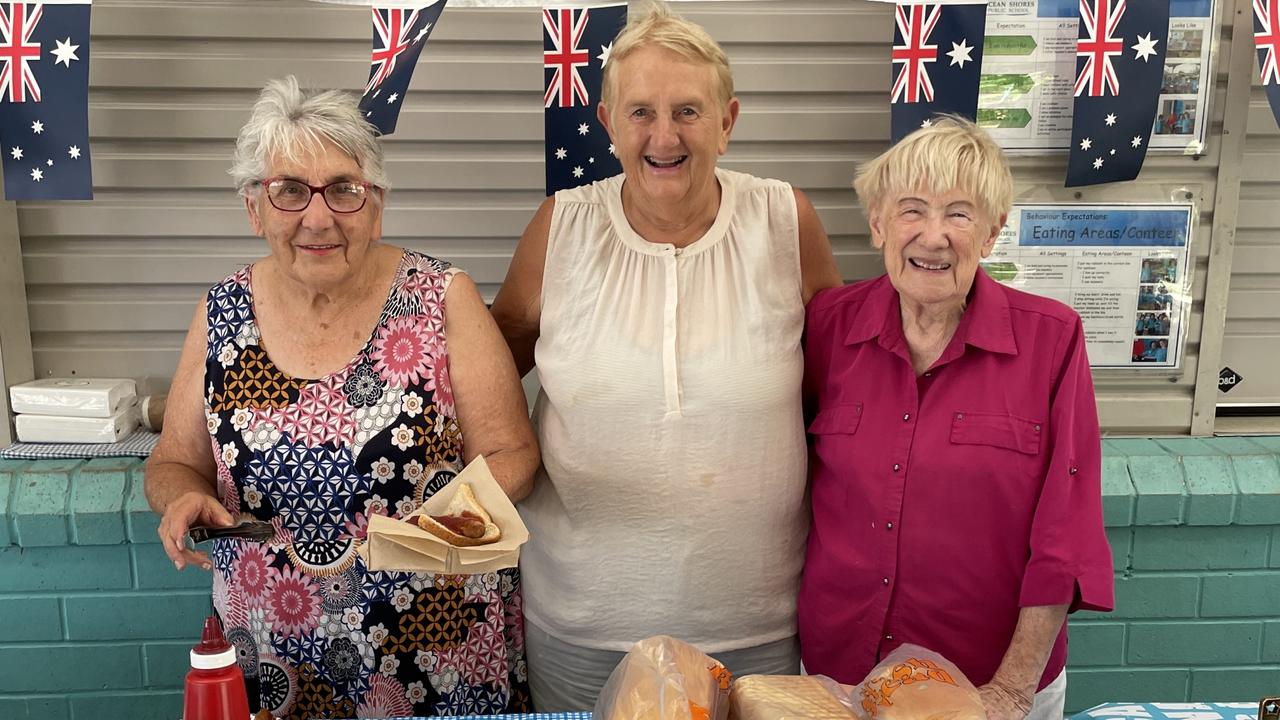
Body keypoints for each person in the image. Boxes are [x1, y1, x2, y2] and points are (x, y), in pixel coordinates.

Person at [145, 77, 538, 719]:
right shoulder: (221, 313)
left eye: (344, 190)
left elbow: (514, 454)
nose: (318, 216)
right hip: (271, 655)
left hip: (436, 654)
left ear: (375, 203)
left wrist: (435, 525)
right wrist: (181, 495)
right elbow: (172, 463)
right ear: (255, 208)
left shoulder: (443, 299)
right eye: (290, 191)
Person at [490, 1, 841, 710]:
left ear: (727, 121)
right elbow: (491, 369)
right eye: (641, 111)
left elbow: (837, 391)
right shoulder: (562, 227)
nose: (664, 135)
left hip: (760, 622)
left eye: (688, 110)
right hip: (583, 624)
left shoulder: (784, 220)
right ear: (608, 121)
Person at [799, 118, 1113, 720]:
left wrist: (1011, 690)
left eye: (960, 214)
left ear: (992, 234)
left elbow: (1066, 532)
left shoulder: (1051, 340)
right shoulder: (828, 327)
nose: (934, 236)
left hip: (984, 688)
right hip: (839, 677)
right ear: (877, 224)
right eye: (911, 210)